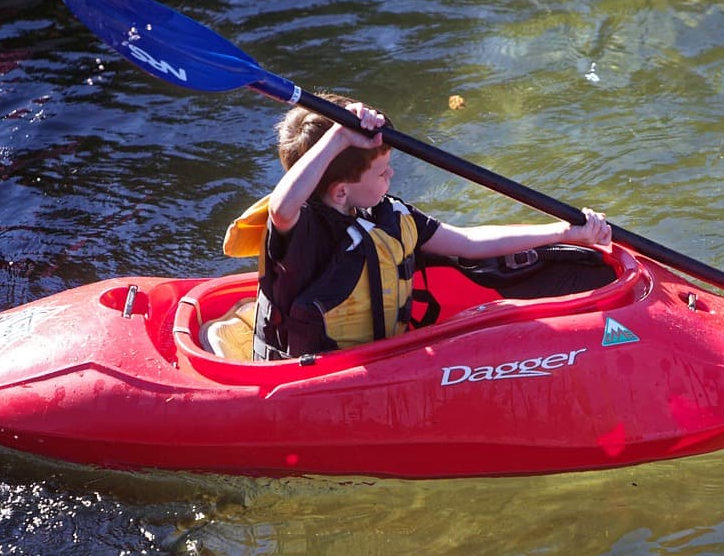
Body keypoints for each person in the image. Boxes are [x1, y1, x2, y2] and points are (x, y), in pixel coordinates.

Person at [225, 95, 612, 361]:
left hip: (378, 360)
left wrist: (563, 232)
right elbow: (281, 207)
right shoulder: (302, 230)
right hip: (309, 374)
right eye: (381, 171)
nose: (391, 174)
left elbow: (468, 241)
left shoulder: (385, 215)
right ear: (341, 190)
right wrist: (339, 136)